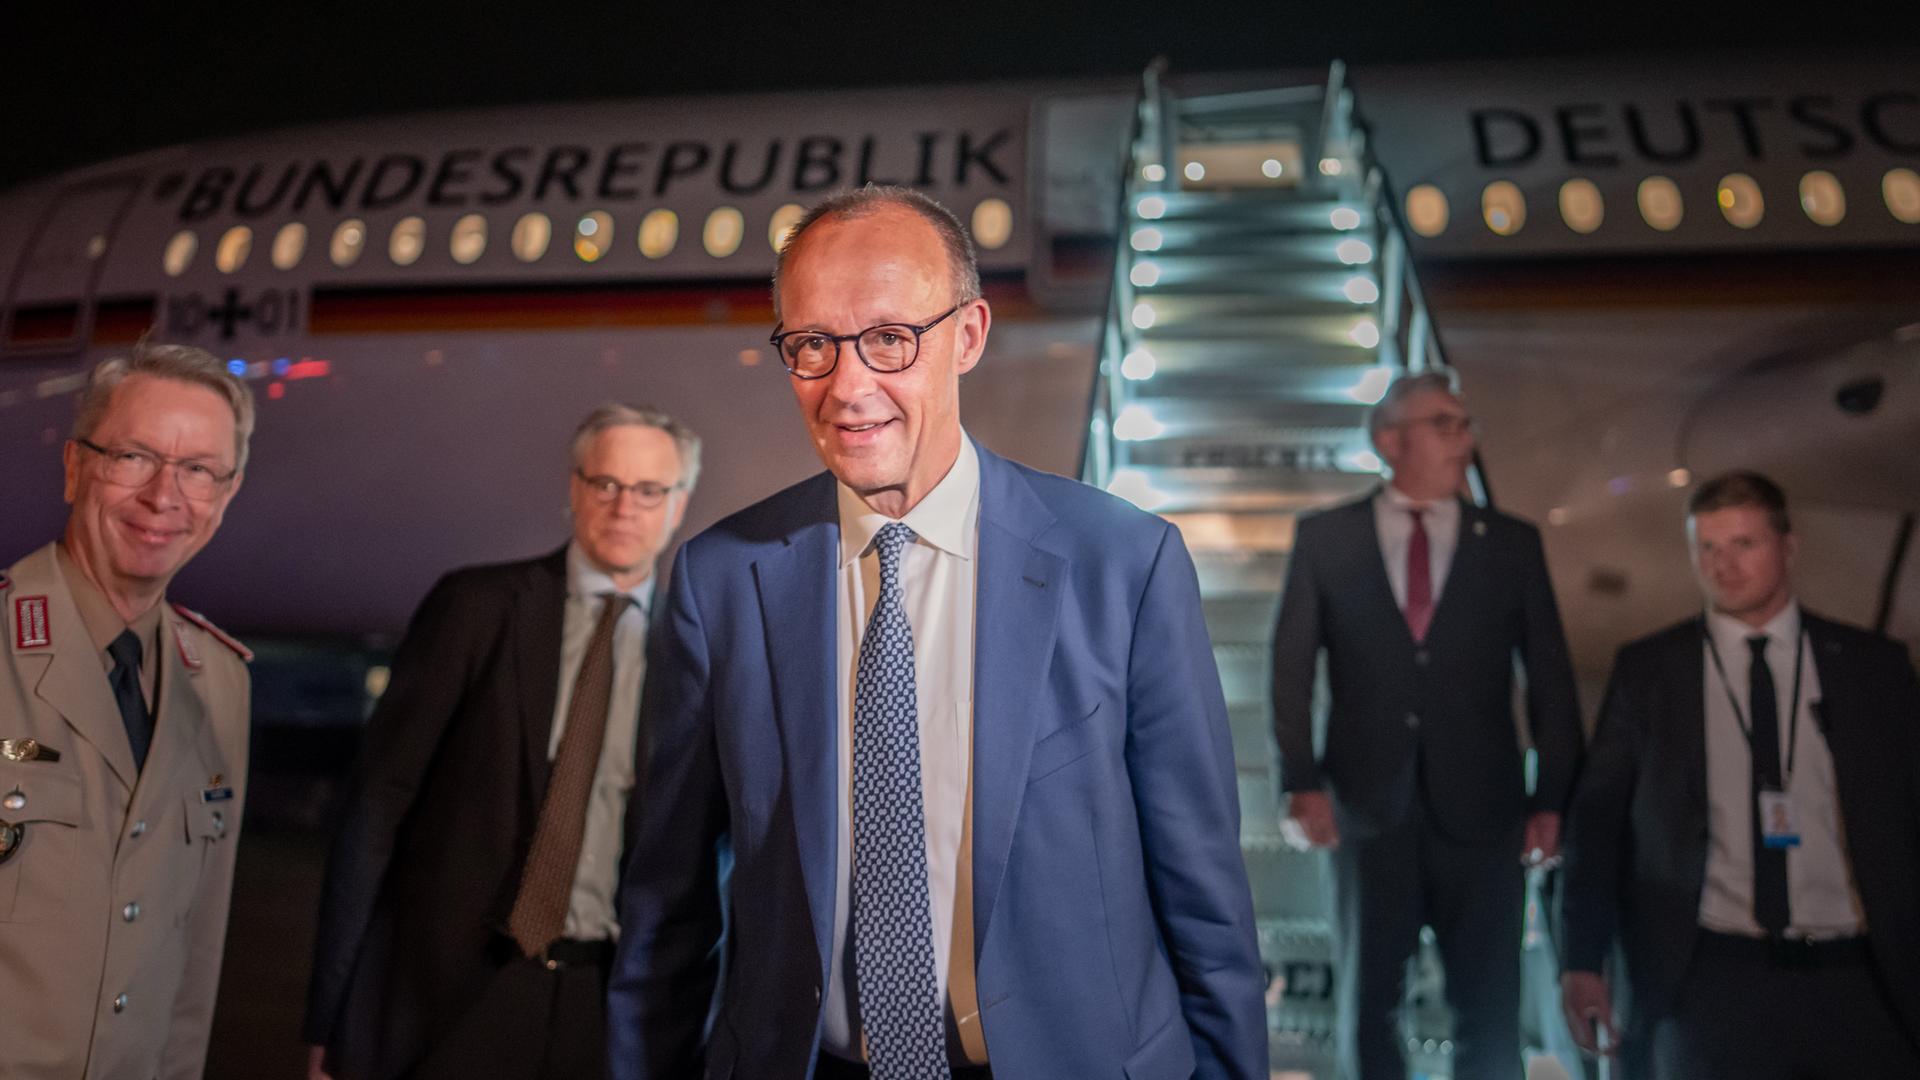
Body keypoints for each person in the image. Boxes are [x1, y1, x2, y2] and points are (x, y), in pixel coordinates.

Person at [607, 186, 1266, 1080]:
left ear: (967, 336)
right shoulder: (722, 581)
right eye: (811, 346)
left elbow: (1206, 908)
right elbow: (668, 909)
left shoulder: (1124, 567)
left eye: (889, 339)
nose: (848, 386)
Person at [303, 404, 699, 1080]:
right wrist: (331, 1013)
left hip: (604, 1012)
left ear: (678, 506)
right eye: (604, 483)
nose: (623, 507)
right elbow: (376, 809)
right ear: (574, 489)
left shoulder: (696, 654)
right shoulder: (475, 609)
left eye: (648, 490)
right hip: (452, 997)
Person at [1270, 370, 1582, 1080]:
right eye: (1444, 424)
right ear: (1390, 440)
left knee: (1488, 1003)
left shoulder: (1511, 544)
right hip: (1364, 809)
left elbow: (1551, 679)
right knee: (1370, 1001)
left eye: (1465, 425)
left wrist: (1553, 797)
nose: (1464, 440)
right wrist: (1300, 780)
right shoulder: (1327, 539)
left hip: (1487, 812)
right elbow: (1288, 671)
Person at [1558, 471, 1920, 1078]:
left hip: (1858, 976)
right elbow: (1597, 828)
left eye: (1744, 544)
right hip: (1709, 977)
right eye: (1709, 548)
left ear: (1788, 547)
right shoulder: (1651, 672)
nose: (1724, 565)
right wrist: (1581, 960)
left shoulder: (1872, 669)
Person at [0, 342, 255, 1080]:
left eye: (199, 471)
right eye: (135, 457)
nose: (163, 498)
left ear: (226, 495)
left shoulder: (221, 684)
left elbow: (193, 968)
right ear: (76, 467)